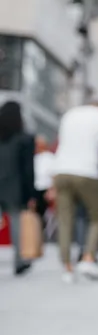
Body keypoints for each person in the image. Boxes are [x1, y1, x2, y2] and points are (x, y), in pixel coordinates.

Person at [51, 100, 98, 283]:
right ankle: (88, 258)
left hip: (61, 171)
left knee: (65, 220)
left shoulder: (70, 114)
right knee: (96, 217)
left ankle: (67, 267)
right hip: (87, 172)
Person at [0, 101, 36, 276]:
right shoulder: (24, 138)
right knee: (16, 223)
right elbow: (28, 169)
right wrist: (31, 193)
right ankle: (19, 260)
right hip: (13, 185)